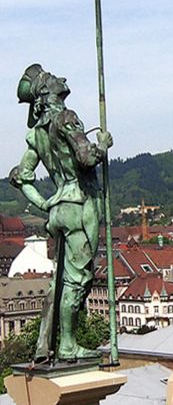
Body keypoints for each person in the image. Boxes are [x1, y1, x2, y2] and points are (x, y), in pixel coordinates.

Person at [8, 64, 111, 362]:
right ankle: (67, 345)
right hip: (81, 205)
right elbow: (86, 156)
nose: (61, 77)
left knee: (61, 280)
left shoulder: (37, 134)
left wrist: (45, 204)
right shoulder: (66, 118)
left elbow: (21, 177)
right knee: (76, 281)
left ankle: (45, 344)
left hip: (60, 209)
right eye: (52, 77)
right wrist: (102, 145)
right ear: (45, 91)